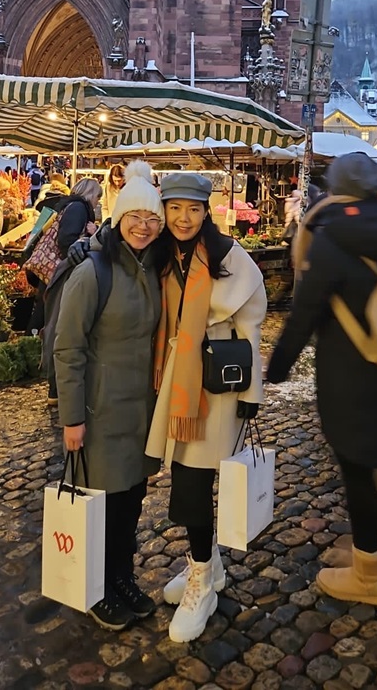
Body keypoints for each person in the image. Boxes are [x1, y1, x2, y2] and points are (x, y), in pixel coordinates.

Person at [266, 152, 377, 607]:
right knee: (371, 469)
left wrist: (277, 369)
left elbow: (305, 314)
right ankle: (374, 545)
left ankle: (369, 572)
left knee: (355, 473)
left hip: (347, 377)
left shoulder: (333, 238)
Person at [145, 172, 266, 644]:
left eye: (192, 209)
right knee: (186, 477)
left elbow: (252, 328)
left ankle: (201, 580)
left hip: (216, 387)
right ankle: (208, 568)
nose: (183, 218)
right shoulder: (161, 253)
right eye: (174, 208)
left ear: (205, 212)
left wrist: (252, 395)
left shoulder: (229, 258)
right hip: (175, 381)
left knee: (193, 483)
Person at [55, 162, 165, 631]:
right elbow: (68, 347)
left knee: (131, 502)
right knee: (101, 504)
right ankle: (96, 585)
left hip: (139, 412)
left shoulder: (154, 267)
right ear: (118, 218)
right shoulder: (92, 272)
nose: (144, 225)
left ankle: (122, 576)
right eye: (135, 216)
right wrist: (72, 418)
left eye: (153, 219)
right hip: (99, 413)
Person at [38, 177, 102, 405]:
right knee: (60, 327)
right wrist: (90, 237)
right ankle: (56, 389)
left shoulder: (70, 205)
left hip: (63, 273)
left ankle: (56, 389)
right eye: (97, 196)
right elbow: (67, 241)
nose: (98, 202)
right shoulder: (77, 208)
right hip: (64, 273)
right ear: (90, 194)